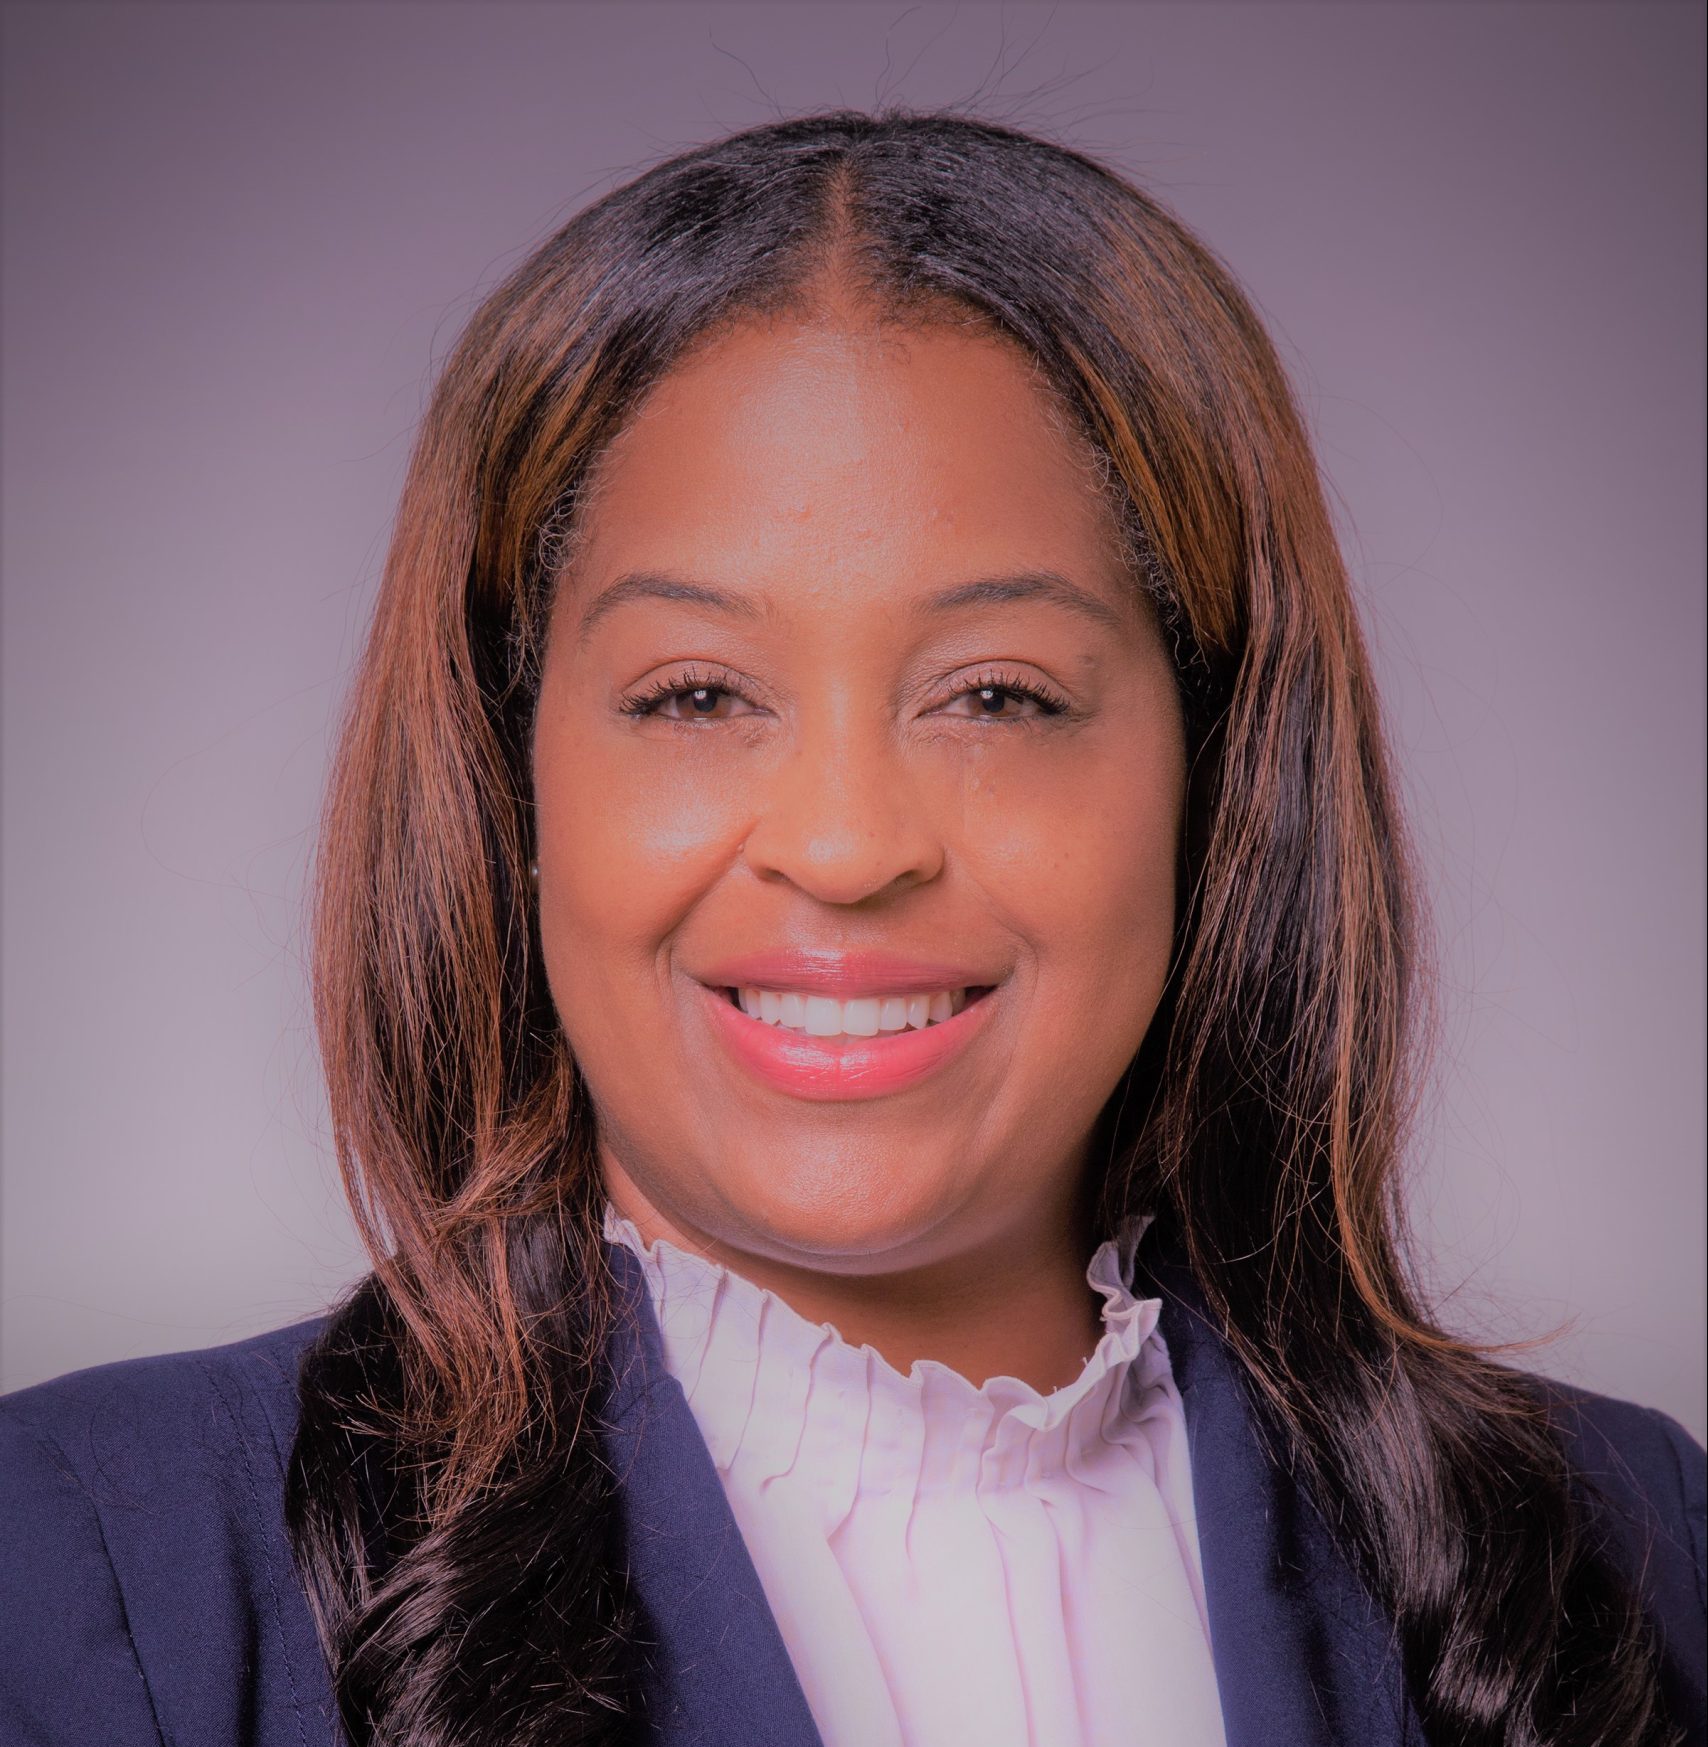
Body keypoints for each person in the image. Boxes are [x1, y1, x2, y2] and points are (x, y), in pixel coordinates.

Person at [2, 106, 1702, 1747]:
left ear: (1218, 766)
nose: (842, 845)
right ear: (513, 777)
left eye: (997, 695)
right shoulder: (94, 1569)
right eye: (694, 694)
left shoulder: (1639, 1556)